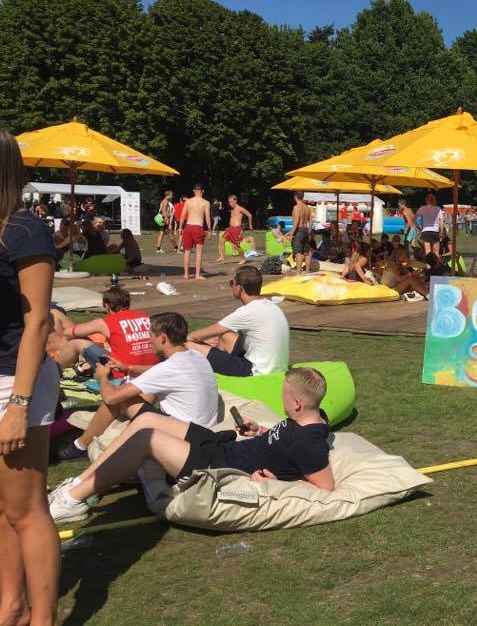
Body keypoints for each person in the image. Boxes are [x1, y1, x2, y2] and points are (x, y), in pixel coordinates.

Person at [49, 366, 334, 524]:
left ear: (297, 403)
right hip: (221, 445)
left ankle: (70, 502)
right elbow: (282, 441)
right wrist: (259, 430)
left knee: (144, 438)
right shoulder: (310, 417)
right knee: (145, 419)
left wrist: (278, 484)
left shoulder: (309, 443)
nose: (281, 398)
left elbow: (326, 488)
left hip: (218, 467)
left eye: (284, 395)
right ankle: (78, 484)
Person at [0, 129, 61, 625]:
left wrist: (18, 405)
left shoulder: (24, 229)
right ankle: (12, 606)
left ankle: (42, 618)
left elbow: (38, 320)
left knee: (25, 508)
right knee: (2, 508)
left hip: (15, 379)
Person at [55, 311, 218, 463]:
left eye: (150, 335)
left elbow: (111, 398)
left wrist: (102, 376)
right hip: (201, 429)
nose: (148, 340)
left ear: (162, 338)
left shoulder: (168, 368)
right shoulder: (195, 356)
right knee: (147, 392)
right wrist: (127, 368)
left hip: (183, 437)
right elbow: (157, 370)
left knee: (119, 397)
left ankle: (80, 445)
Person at [186, 266, 289, 378]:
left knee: (189, 345)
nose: (231, 286)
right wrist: (207, 338)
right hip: (277, 367)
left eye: (232, 283)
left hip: (257, 372)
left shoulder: (246, 312)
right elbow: (218, 331)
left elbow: (195, 336)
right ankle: (221, 368)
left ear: (240, 288)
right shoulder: (271, 306)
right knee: (225, 336)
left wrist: (186, 339)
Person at [179, 183, 211, 280]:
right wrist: (209, 229)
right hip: (198, 227)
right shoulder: (206, 203)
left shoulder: (188, 201)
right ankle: (197, 275)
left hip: (188, 227)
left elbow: (183, 215)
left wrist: (180, 227)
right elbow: (207, 217)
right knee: (199, 253)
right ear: (203, 191)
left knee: (187, 252)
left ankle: (186, 274)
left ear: (193, 191)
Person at [217, 194, 254, 265]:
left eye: (231, 201)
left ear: (235, 200)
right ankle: (222, 256)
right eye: (229, 202)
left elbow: (250, 215)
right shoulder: (232, 210)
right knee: (222, 240)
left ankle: (243, 258)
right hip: (230, 229)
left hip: (237, 229)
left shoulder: (240, 208)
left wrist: (250, 225)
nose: (230, 203)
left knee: (236, 245)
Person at [290, 191, 312, 274]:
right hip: (306, 230)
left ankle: (298, 273)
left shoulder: (296, 207)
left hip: (298, 230)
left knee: (298, 252)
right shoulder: (308, 208)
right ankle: (307, 271)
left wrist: (291, 233)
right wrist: (309, 231)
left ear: (295, 196)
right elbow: (311, 221)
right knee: (306, 252)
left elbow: (296, 221)